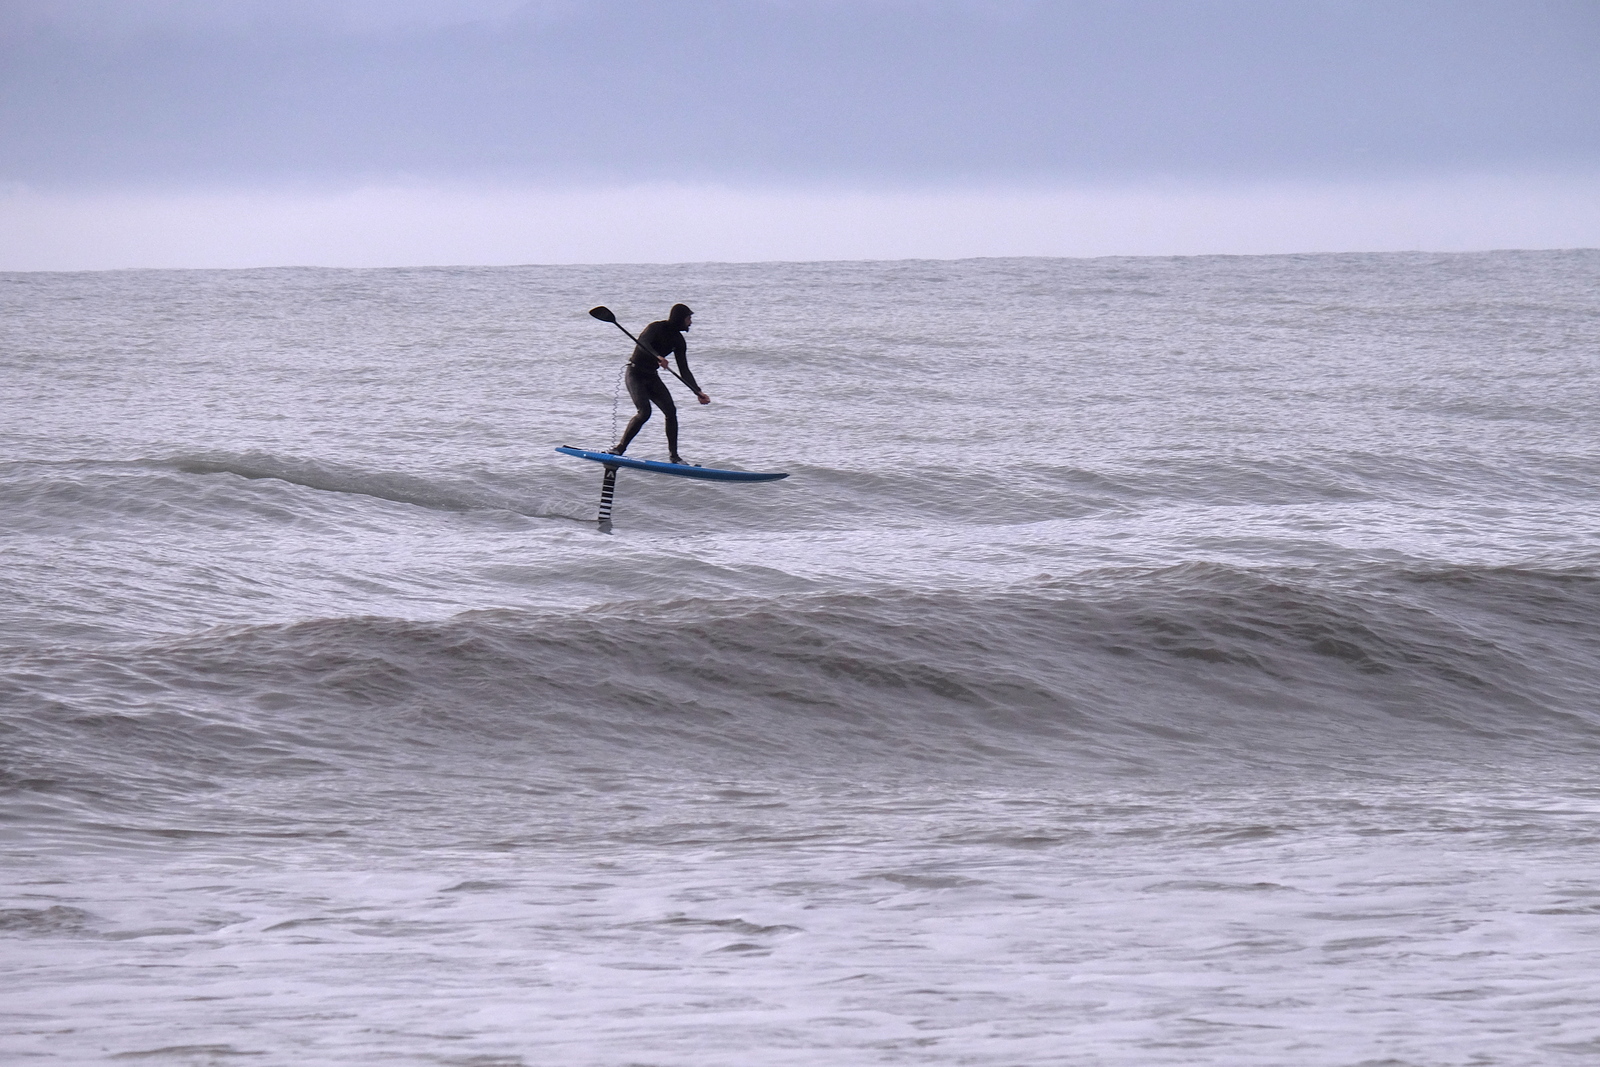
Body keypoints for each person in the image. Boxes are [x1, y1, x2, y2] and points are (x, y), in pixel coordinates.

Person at [610, 303, 710, 464]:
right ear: (680, 319)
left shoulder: (679, 341)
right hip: (635, 373)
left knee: (671, 412)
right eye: (688, 318)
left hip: (651, 376)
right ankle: (619, 449)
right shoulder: (655, 328)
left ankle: (674, 457)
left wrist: (697, 392)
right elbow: (643, 344)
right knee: (645, 412)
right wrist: (657, 356)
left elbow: (684, 370)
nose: (690, 322)